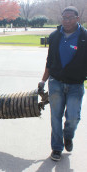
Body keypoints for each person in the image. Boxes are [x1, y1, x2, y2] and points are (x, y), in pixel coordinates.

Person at [38, 6, 87, 161]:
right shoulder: (54, 36)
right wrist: (43, 80)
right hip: (56, 83)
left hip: (76, 85)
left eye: (70, 18)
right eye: (64, 18)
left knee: (73, 118)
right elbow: (49, 61)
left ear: (77, 19)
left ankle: (68, 135)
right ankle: (57, 148)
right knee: (56, 117)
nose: (66, 21)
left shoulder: (84, 37)